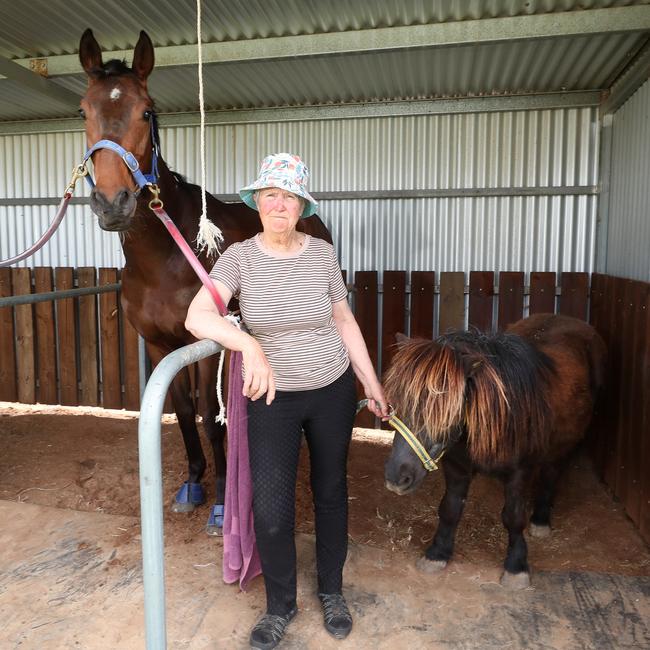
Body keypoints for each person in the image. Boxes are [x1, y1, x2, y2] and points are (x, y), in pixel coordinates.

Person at [185, 152, 388, 649]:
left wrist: (370, 381)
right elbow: (197, 317)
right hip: (271, 396)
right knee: (272, 509)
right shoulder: (239, 257)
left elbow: (344, 322)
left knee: (330, 492)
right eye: (270, 195)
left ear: (301, 206)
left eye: (289, 196)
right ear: (257, 202)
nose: (279, 204)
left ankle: (332, 591)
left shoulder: (321, 254)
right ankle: (280, 606)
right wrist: (248, 344)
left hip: (331, 388)